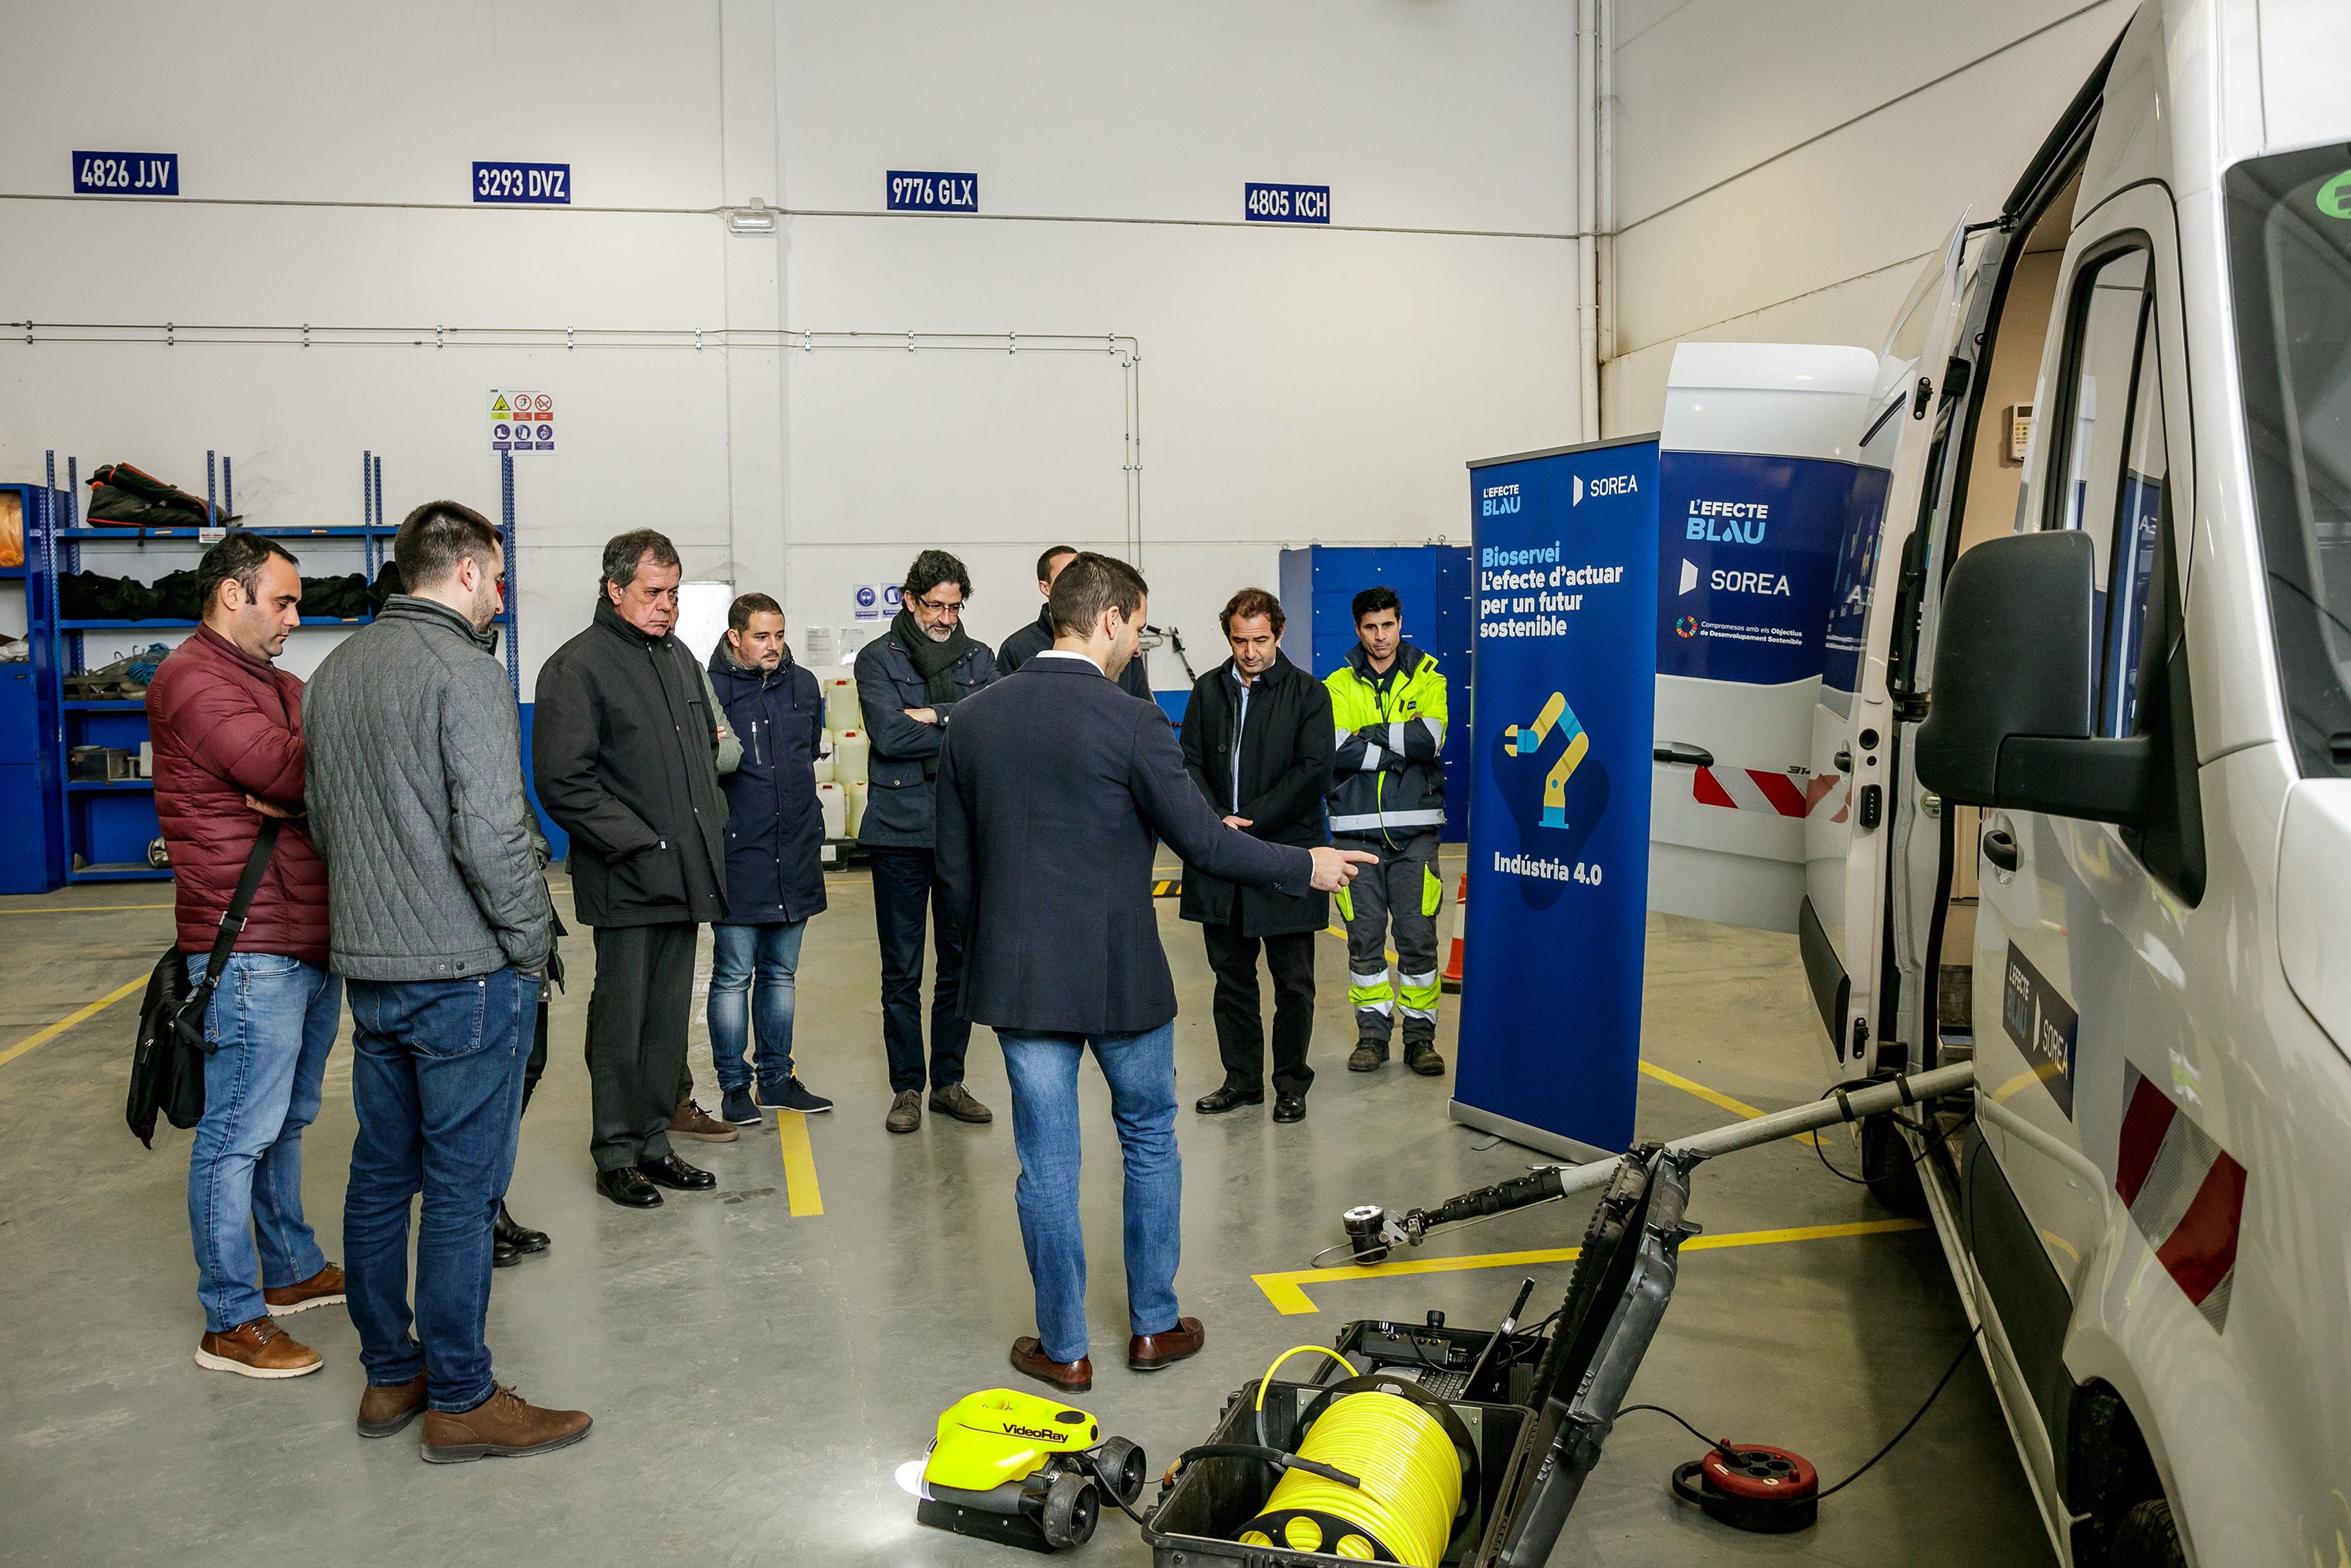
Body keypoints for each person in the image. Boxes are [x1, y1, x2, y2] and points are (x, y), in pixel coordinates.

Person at [936, 552, 1373, 1393]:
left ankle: (1062, 1346)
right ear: (1108, 619)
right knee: (1147, 1139)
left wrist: (983, 959)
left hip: (1022, 980)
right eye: (1137, 627)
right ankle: (1152, 1326)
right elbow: (1204, 841)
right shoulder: (1132, 721)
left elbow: (953, 874)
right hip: (1120, 976)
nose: (1138, 644)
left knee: (1046, 1165)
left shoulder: (974, 719)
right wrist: (1303, 863)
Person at [305, 500, 590, 1460]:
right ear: (465, 573)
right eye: (499, 576)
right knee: (464, 1192)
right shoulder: (465, 674)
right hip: (463, 971)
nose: (502, 594)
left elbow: (324, 822)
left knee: (382, 1178)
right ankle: (463, 1396)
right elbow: (494, 832)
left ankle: (393, 1374)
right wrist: (527, 939)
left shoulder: (333, 671)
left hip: (371, 969)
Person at [147, 531, 343, 1380]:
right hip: (249, 939)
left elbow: (313, 765)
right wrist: (295, 781)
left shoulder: (279, 683)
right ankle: (230, 1316)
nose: (294, 618)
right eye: (284, 600)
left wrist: (297, 780)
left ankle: (291, 1267)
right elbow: (290, 771)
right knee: (236, 1133)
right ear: (233, 593)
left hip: (302, 932)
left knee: (287, 1119)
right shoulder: (192, 678)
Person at [534, 529, 736, 1207]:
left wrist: (705, 833)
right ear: (614, 589)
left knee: (667, 1020)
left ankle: (654, 1142)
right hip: (629, 877)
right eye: (653, 593)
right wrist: (644, 842)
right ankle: (615, 1150)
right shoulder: (578, 668)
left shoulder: (677, 658)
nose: (666, 606)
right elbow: (564, 783)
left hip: (685, 875)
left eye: (674, 593)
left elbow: (700, 763)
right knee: (622, 1021)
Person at [854, 548, 998, 1134]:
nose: (944, 617)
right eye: (934, 605)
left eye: (954, 606)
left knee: (958, 965)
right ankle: (907, 1088)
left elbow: (986, 732)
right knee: (902, 971)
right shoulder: (875, 659)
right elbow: (888, 735)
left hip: (962, 829)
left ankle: (948, 1082)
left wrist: (932, 716)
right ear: (910, 600)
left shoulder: (979, 656)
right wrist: (954, 718)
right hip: (897, 835)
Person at [1179, 588, 1333, 1123]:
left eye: (1261, 640)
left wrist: (1252, 821)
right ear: (1229, 637)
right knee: (1232, 978)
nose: (1250, 652)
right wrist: (1218, 818)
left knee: (1293, 982)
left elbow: (1313, 770)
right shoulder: (1207, 691)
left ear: (1279, 634)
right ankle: (1241, 1081)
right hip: (1221, 857)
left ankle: (1291, 1083)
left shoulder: (1309, 694)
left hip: (1284, 854)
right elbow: (1189, 762)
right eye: (1241, 641)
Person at [705, 592, 833, 1124]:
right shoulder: (709, 691)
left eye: (779, 635)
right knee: (734, 975)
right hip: (740, 856)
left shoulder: (803, 687)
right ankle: (734, 1087)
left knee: (781, 973)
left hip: (796, 850)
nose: (773, 646)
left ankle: (776, 1079)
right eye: (761, 636)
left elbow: (806, 754)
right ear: (735, 636)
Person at [1325, 585, 1452, 1077]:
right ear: (1359, 630)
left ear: (1401, 624)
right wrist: (1399, 750)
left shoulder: (1428, 676)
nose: (1381, 637)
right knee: (1365, 940)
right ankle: (1372, 1035)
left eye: (1389, 626)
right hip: (1355, 841)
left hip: (1415, 836)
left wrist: (1369, 735)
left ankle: (1420, 1039)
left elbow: (1431, 738)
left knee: (1419, 940)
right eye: (1371, 628)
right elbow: (1335, 748)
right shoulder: (1336, 685)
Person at [997, 544, 1152, 701]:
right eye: (1066, 575)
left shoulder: (1123, 644)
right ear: (1045, 588)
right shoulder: (1015, 647)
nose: (1077, 580)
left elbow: (1141, 701)